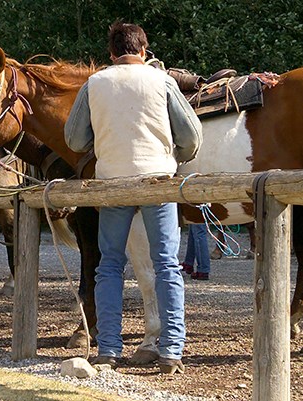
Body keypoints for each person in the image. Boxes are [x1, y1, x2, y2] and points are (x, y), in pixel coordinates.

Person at [65, 20, 202, 374]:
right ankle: (172, 349)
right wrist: (174, 155)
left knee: (108, 266)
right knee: (167, 265)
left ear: (111, 53)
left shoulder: (94, 84)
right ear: (144, 50)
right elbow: (191, 136)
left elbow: (75, 141)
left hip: (113, 185)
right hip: (157, 181)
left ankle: (109, 348)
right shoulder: (163, 81)